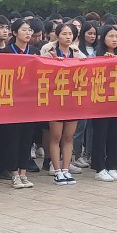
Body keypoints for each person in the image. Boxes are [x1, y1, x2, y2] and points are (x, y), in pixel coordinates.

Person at [41, 22, 83, 185]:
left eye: (70, 34)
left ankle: (66, 169)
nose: (68, 37)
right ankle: (57, 170)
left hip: (72, 100)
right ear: (57, 36)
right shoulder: (50, 54)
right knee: (56, 136)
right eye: (64, 34)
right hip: (56, 100)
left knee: (69, 137)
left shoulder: (77, 53)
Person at [0, 19, 36, 189]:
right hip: (12, 102)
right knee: (13, 138)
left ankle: (23, 173)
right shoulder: (7, 52)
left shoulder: (34, 52)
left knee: (27, 139)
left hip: (29, 102)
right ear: (14, 33)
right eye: (24, 30)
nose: (28, 33)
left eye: (29, 30)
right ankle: (14, 174)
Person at [91, 25, 117, 181]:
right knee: (100, 134)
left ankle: (112, 166)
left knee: (115, 134)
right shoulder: (95, 55)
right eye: (111, 36)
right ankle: (99, 168)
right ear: (103, 38)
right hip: (100, 101)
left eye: (116, 36)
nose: (114, 39)